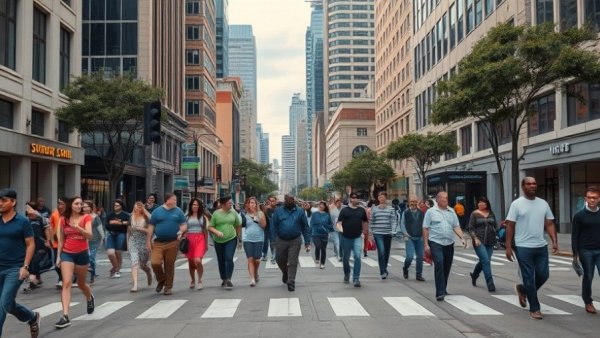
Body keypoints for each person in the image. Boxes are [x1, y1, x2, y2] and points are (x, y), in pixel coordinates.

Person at [505, 177, 558, 320]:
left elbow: (549, 224)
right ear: (523, 187)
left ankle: (522, 289)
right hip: (523, 247)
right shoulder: (516, 204)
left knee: (543, 275)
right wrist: (508, 246)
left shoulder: (543, 203)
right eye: (528, 184)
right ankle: (535, 308)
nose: (532, 186)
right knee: (529, 277)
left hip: (541, 246)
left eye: (534, 183)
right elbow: (510, 225)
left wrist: (554, 241)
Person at [0, 188, 40, 338]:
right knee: (8, 305)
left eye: (4, 200)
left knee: (3, 304)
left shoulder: (22, 222)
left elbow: (31, 244)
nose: (0, 203)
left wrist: (25, 266)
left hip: (15, 269)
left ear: (13, 202)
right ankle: (31, 317)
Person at [55, 196, 95, 329]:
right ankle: (65, 316)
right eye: (77, 203)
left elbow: (90, 235)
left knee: (81, 283)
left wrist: (79, 228)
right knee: (67, 282)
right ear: (70, 205)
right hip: (67, 253)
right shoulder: (63, 219)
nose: (80, 206)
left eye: (81, 204)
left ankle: (89, 297)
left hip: (82, 254)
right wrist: (59, 257)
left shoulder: (86, 218)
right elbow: (61, 239)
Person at [423, 191, 468, 301]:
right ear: (437, 199)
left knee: (447, 266)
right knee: (439, 263)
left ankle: (443, 287)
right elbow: (425, 227)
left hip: (449, 242)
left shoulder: (451, 211)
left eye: (446, 198)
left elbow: (456, 226)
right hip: (435, 242)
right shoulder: (430, 212)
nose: (445, 200)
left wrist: (462, 237)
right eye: (442, 198)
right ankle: (440, 292)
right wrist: (426, 244)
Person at [147, 193, 187, 295]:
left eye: (176, 200)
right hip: (158, 242)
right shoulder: (157, 211)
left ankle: (168, 287)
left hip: (173, 242)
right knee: (155, 263)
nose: (175, 202)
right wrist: (148, 240)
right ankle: (161, 280)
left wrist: (181, 231)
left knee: (169, 265)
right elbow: (151, 226)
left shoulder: (178, 211)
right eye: (174, 200)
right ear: (167, 200)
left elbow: (184, 224)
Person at [270, 194, 311, 292]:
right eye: (287, 200)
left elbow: (305, 227)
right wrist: (272, 240)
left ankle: (291, 281)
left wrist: (307, 242)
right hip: (281, 239)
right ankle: (285, 272)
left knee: (293, 261)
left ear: (294, 200)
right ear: (285, 201)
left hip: (295, 240)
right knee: (279, 259)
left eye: (291, 200)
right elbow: (273, 226)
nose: (289, 201)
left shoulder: (300, 212)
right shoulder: (278, 211)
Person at [572, 185, 600, 314]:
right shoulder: (579, 216)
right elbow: (575, 235)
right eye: (589, 198)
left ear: (599, 199)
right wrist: (575, 254)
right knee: (588, 276)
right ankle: (588, 301)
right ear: (585, 199)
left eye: (594, 198)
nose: (592, 200)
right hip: (585, 250)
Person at [208, 196, 242, 290]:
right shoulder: (216, 214)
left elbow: (238, 225)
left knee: (229, 257)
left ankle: (229, 278)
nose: (231, 205)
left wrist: (239, 238)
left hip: (231, 238)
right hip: (218, 240)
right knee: (221, 260)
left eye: (231, 203)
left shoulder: (233, 213)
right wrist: (217, 232)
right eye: (229, 203)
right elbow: (210, 227)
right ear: (223, 204)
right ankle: (223, 278)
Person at [337, 192, 369, 287]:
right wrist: (341, 232)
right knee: (346, 259)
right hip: (346, 237)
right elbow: (339, 223)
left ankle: (356, 278)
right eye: (354, 198)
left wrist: (366, 231)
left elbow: (365, 221)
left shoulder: (361, 210)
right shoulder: (344, 210)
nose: (356, 199)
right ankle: (347, 273)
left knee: (357, 257)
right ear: (350, 199)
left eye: (358, 198)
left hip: (357, 237)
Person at [467, 196, 498, 292]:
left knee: (484, 261)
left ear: (487, 204)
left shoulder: (491, 213)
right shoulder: (474, 214)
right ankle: (490, 284)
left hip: (490, 241)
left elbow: (495, 226)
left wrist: (497, 234)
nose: (481, 204)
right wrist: (475, 238)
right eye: (479, 202)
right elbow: (470, 228)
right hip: (479, 241)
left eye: (483, 203)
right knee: (486, 261)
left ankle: (475, 275)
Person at [23, 202, 51, 292]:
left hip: (41, 245)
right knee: (31, 262)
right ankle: (37, 278)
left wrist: (48, 241)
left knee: (35, 261)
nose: (28, 211)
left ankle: (31, 281)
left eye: (29, 208)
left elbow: (47, 230)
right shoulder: (25, 220)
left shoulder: (42, 219)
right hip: (29, 246)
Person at [370, 192, 397, 279]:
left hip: (388, 233)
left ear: (386, 198)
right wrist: (371, 232)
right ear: (378, 199)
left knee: (386, 252)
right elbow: (372, 221)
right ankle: (383, 271)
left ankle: (384, 268)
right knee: (381, 252)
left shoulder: (391, 209)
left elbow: (393, 221)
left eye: (383, 197)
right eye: (380, 197)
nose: (381, 198)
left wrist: (393, 231)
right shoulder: (374, 209)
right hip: (378, 233)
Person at [184, 198, 209, 290]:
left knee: (198, 260)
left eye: (197, 205)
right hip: (189, 239)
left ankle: (200, 280)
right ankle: (192, 280)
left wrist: (206, 244)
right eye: (194, 205)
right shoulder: (186, 216)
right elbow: (183, 228)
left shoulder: (203, 217)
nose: (195, 206)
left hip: (200, 239)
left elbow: (205, 231)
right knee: (191, 262)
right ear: (191, 206)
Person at [241, 197, 266, 286]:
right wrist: (240, 240)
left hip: (259, 239)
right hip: (247, 239)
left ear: (256, 204)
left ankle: (256, 272)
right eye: (250, 203)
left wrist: (256, 214)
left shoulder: (260, 213)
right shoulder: (244, 214)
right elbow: (241, 225)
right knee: (250, 259)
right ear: (247, 204)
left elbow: (263, 225)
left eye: (253, 203)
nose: (252, 204)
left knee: (257, 260)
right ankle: (252, 278)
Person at [129, 201, 152, 292]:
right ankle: (135, 285)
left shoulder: (146, 217)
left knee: (143, 265)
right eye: (135, 207)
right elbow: (129, 231)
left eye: (138, 207)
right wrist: (128, 243)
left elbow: (150, 230)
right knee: (134, 262)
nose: (136, 209)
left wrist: (140, 228)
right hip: (133, 241)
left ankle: (148, 272)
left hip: (144, 241)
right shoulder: (131, 217)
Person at [400, 197, 426, 281]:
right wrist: (405, 234)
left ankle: (419, 274)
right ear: (409, 202)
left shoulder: (422, 213)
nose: (413, 203)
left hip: (420, 237)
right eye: (411, 201)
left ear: (417, 202)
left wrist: (425, 236)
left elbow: (425, 225)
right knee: (410, 257)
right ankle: (405, 268)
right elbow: (402, 224)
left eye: (415, 201)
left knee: (420, 256)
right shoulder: (405, 212)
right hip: (409, 237)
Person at [106, 199, 129, 278]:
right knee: (110, 253)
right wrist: (112, 224)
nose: (115, 207)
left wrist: (119, 223)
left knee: (118, 253)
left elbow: (129, 223)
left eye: (117, 205)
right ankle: (115, 268)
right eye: (115, 205)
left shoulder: (125, 215)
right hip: (111, 234)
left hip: (121, 234)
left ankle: (117, 271)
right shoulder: (110, 214)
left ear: (121, 206)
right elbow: (106, 225)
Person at [82, 201, 104, 284]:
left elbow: (100, 229)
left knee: (91, 257)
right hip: (84, 240)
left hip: (95, 240)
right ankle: (90, 273)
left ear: (91, 207)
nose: (85, 208)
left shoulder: (95, 217)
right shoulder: (81, 216)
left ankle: (92, 274)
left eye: (87, 206)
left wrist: (102, 239)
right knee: (86, 257)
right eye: (83, 207)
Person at [310, 201, 334, 269]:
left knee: (323, 249)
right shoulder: (314, 214)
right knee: (318, 246)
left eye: (323, 205)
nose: (321, 206)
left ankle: (322, 263)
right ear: (318, 206)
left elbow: (330, 224)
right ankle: (317, 260)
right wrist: (310, 232)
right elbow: (311, 223)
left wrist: (328, 229)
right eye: (320, 205)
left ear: (324, 207)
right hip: (316, 234)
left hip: (324, 234)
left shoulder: (327, 215)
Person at [49, 198, 67, 289]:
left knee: (66, 263)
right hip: (56, 243)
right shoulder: (54, 214)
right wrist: (50, 240)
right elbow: (51, 228)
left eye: (62, 204)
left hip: (68, 244)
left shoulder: (69, 215)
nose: (60, 206)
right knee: (57, 265)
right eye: (59, 204)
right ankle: (62, 278)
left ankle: (63, 279)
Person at [261, 196, 277, 264]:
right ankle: (264, 254)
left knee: (273, 242)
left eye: (273, 201)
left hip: (274, 228)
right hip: (266, 227)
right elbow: (264, 217)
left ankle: (273, 256)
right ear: (268, 201)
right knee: (265, 242)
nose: (272, 202)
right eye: (270, 201)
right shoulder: (266, 208)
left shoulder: (277, 209)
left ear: (275, 201)